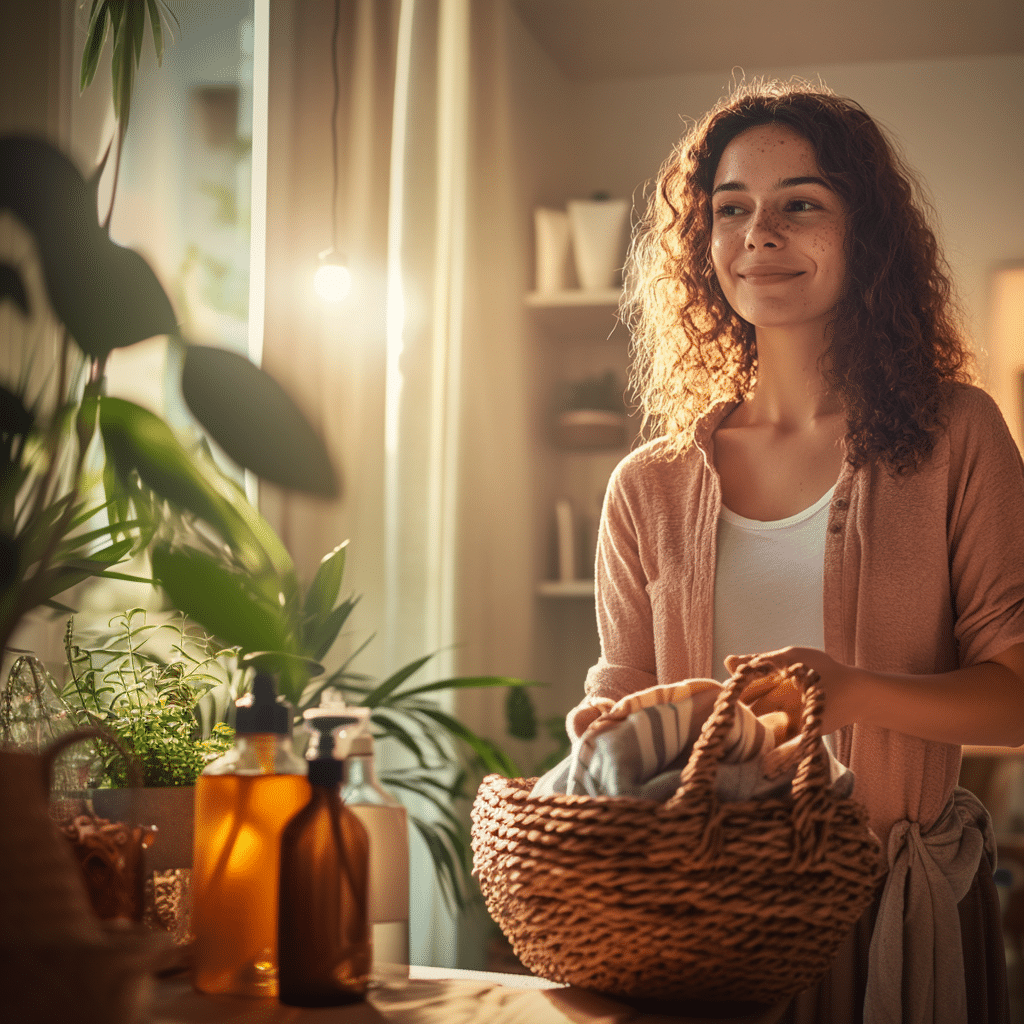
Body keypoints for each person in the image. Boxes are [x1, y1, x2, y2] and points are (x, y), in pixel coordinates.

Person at [566, 79, 1024, 1023]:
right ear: (704, 247)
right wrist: (603, 736)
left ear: (868, 236)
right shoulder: (646, 487)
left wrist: (847, 691)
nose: (758, 234)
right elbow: (618, 697)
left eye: (800, 205)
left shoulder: (955, 434)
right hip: (702, 921)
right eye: (730, 209)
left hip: (888, 922)